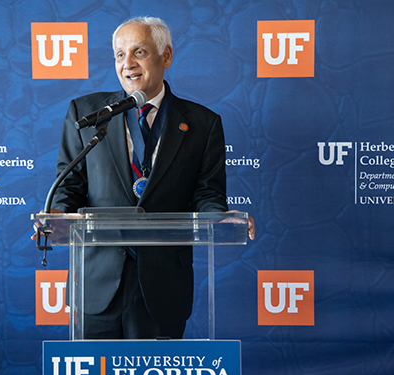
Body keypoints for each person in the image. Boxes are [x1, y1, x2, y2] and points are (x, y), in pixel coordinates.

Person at [33, 16, 255, 339]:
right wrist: (56, 216)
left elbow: (208, 194)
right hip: (97, 284)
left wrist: (221, 220)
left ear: (166, 56)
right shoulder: (87, 115)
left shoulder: (203, 124)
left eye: (139, 52)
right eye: (120, 55)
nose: (128, 64)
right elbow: (69, 186)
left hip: (162, 287)